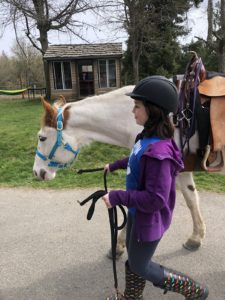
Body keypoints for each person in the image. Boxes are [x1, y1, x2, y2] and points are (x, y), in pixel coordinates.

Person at [102, 76, 209, 300]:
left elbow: (155, 199)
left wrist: (118, 197)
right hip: (135, 213)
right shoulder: (147, 137)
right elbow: (135, 156)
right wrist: (114, 165)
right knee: (134, 258)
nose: (133, 112)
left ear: (153, 110)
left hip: (147, 219)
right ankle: (132, 297)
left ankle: (194, 290)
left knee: (141, 265)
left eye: (137, 106)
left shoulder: (159, 153)